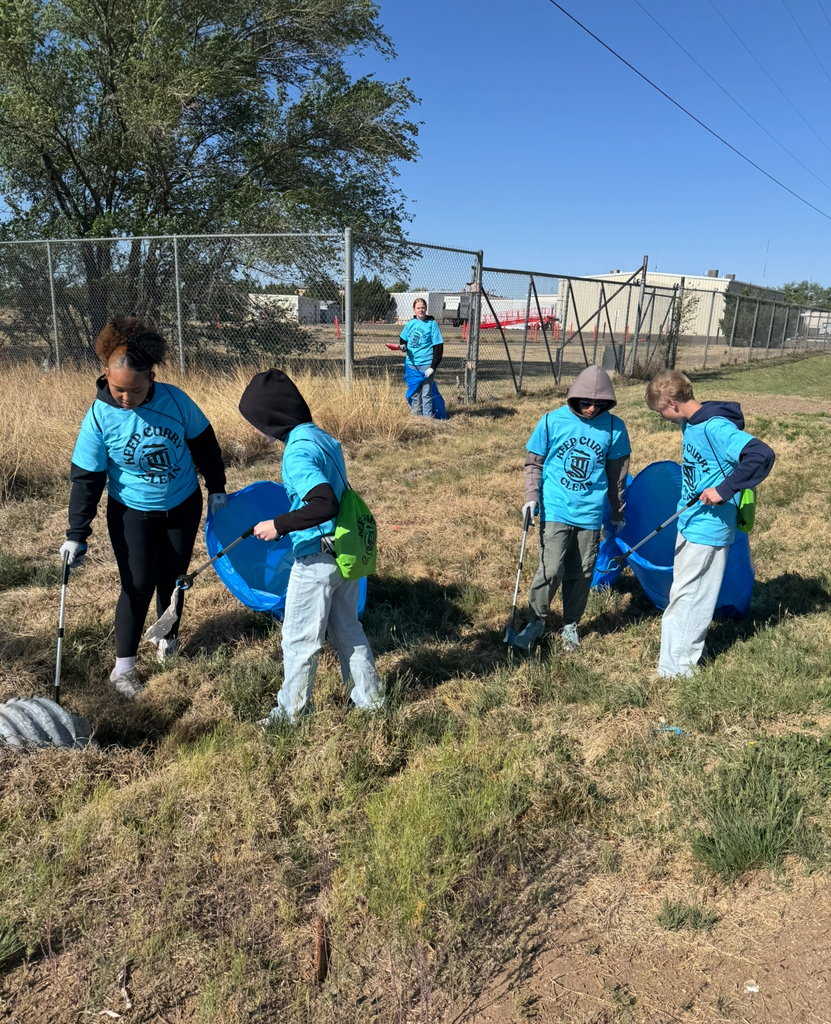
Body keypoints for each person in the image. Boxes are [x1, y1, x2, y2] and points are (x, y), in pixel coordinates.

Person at [59, 317, 227, 698]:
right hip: (131, 510)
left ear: (151, 376)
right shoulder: (100, 416)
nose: (126, 398)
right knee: (136, 584)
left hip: (183, 503)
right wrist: (76, 535)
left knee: (174, 579)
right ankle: (124, 669)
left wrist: (216, 486)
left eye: (135, 390)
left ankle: (167, 639)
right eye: (118, 389)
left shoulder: (176, 401)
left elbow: (205, 445)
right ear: (106, 374)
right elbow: (87, 479)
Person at [238, 369, 383, 723]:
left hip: (317, 556)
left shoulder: (296, 452)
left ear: (271, 416)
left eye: (257, 420)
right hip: (343, 552)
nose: (257, 429)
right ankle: (370, 701)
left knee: (299, 638)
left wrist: (278, 525)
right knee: (347, 628)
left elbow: (324, 503)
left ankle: (291, 714)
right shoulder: (321, 438)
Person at [645, 370, 774, 678]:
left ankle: (677, 670)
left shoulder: (715, 427)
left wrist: (722, 490)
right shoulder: (691, 424)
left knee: (693, 597)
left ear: (673, 403)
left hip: (709, 527)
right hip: (689, 521)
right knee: (684, 594)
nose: (662, 417)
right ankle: (672, 664)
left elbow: (760, 454)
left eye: (661, 411)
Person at [514, 365, 630, 651]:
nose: (592, 409)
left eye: (599, 404)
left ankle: (570, 625)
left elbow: (617, 478)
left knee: (581, 573)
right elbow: (534, 463)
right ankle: (536, 623)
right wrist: (532, 496)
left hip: (589, 513)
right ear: (574, 397)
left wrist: (617, 513)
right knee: (551, 569)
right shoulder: (551, 422)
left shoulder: (615, 428)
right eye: (586, 402)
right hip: (555, 508)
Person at [397, 297, 444, 417]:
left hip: (426, 364)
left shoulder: (432, 324)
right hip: (412, 365)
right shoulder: (410, 324)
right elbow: (403, 339)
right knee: (415, 394)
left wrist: (433, 367)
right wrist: (403, 347)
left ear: (426, 309)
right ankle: (416, 419)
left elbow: (438, 346)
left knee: (426, 394)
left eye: (422, 307)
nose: (420, 310)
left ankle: (427, 420)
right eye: (418, 308)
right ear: (414, 310)